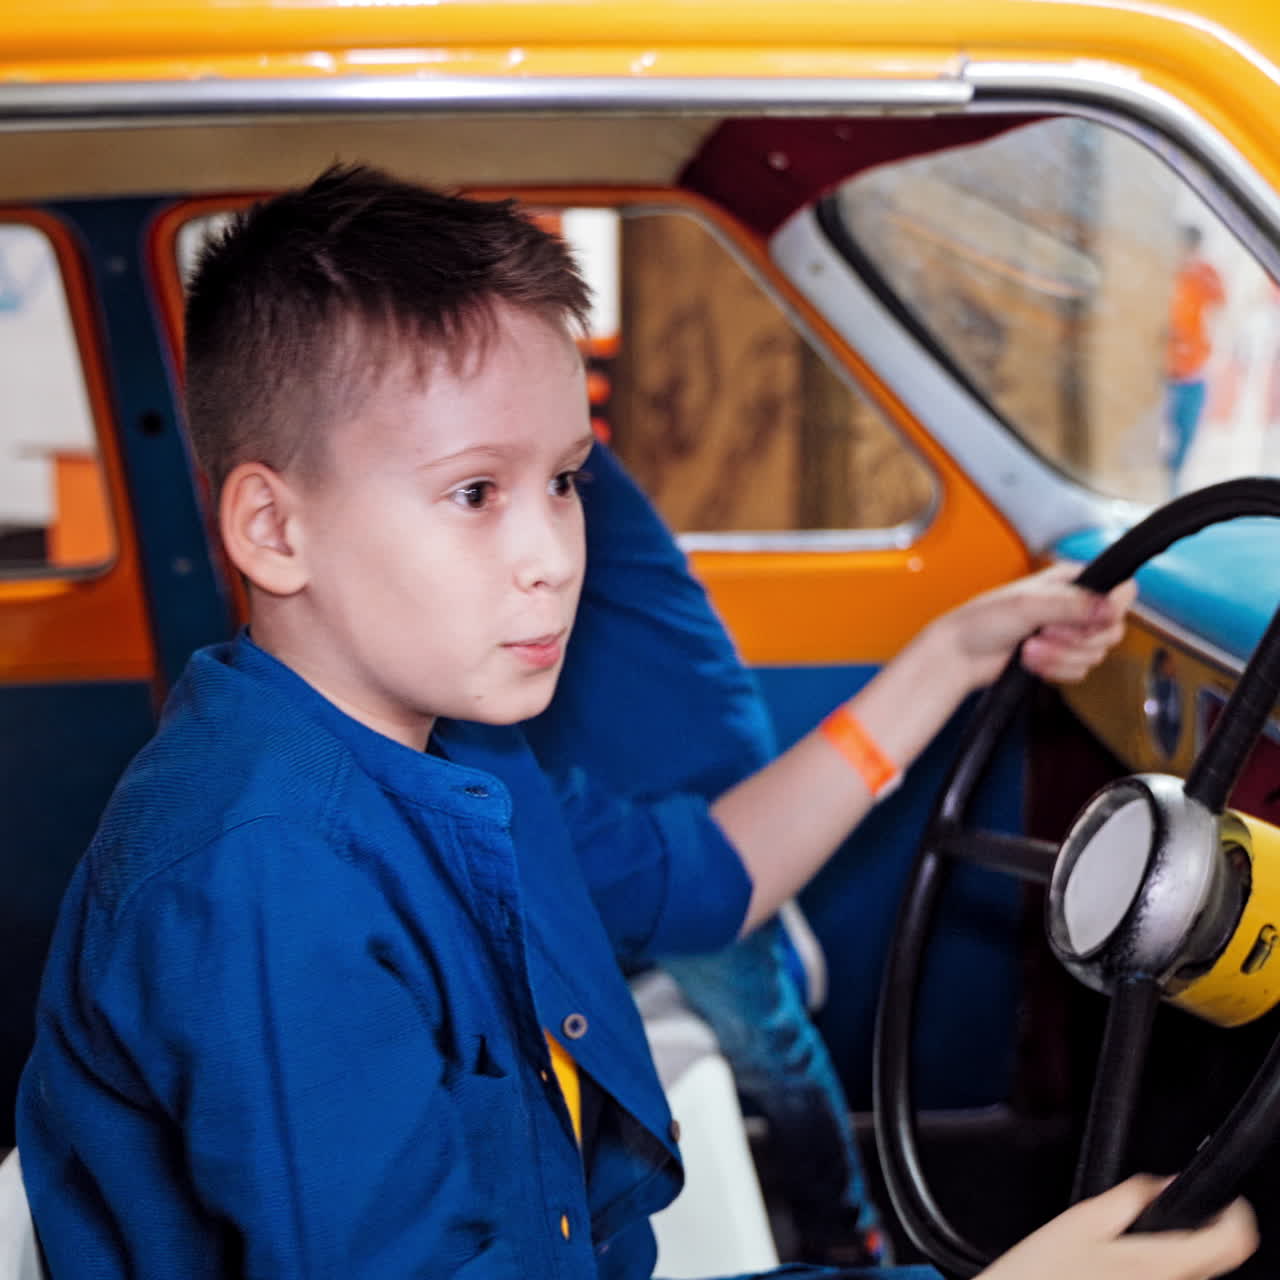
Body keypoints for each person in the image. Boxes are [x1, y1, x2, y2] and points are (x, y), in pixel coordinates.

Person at [16, 165, 1254, 1280]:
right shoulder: (264, 877)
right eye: (473, 491)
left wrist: (952, 652)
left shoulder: (463, 753)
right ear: (272, 530)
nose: (553, 553)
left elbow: (711, 878)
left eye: (561, 479)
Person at [525, 439, 889, 1265]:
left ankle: (848, 1232)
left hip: (680, 797)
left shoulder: (543, 472)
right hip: (597, 801)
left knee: (764, 1043)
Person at [1165, 224, 1226, 495]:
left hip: (1192, 369)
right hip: (1163, 371)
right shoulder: (1165, 273)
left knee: (1186, 434)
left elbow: (1221, 305)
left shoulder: (1203, 274)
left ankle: (1172, 485)